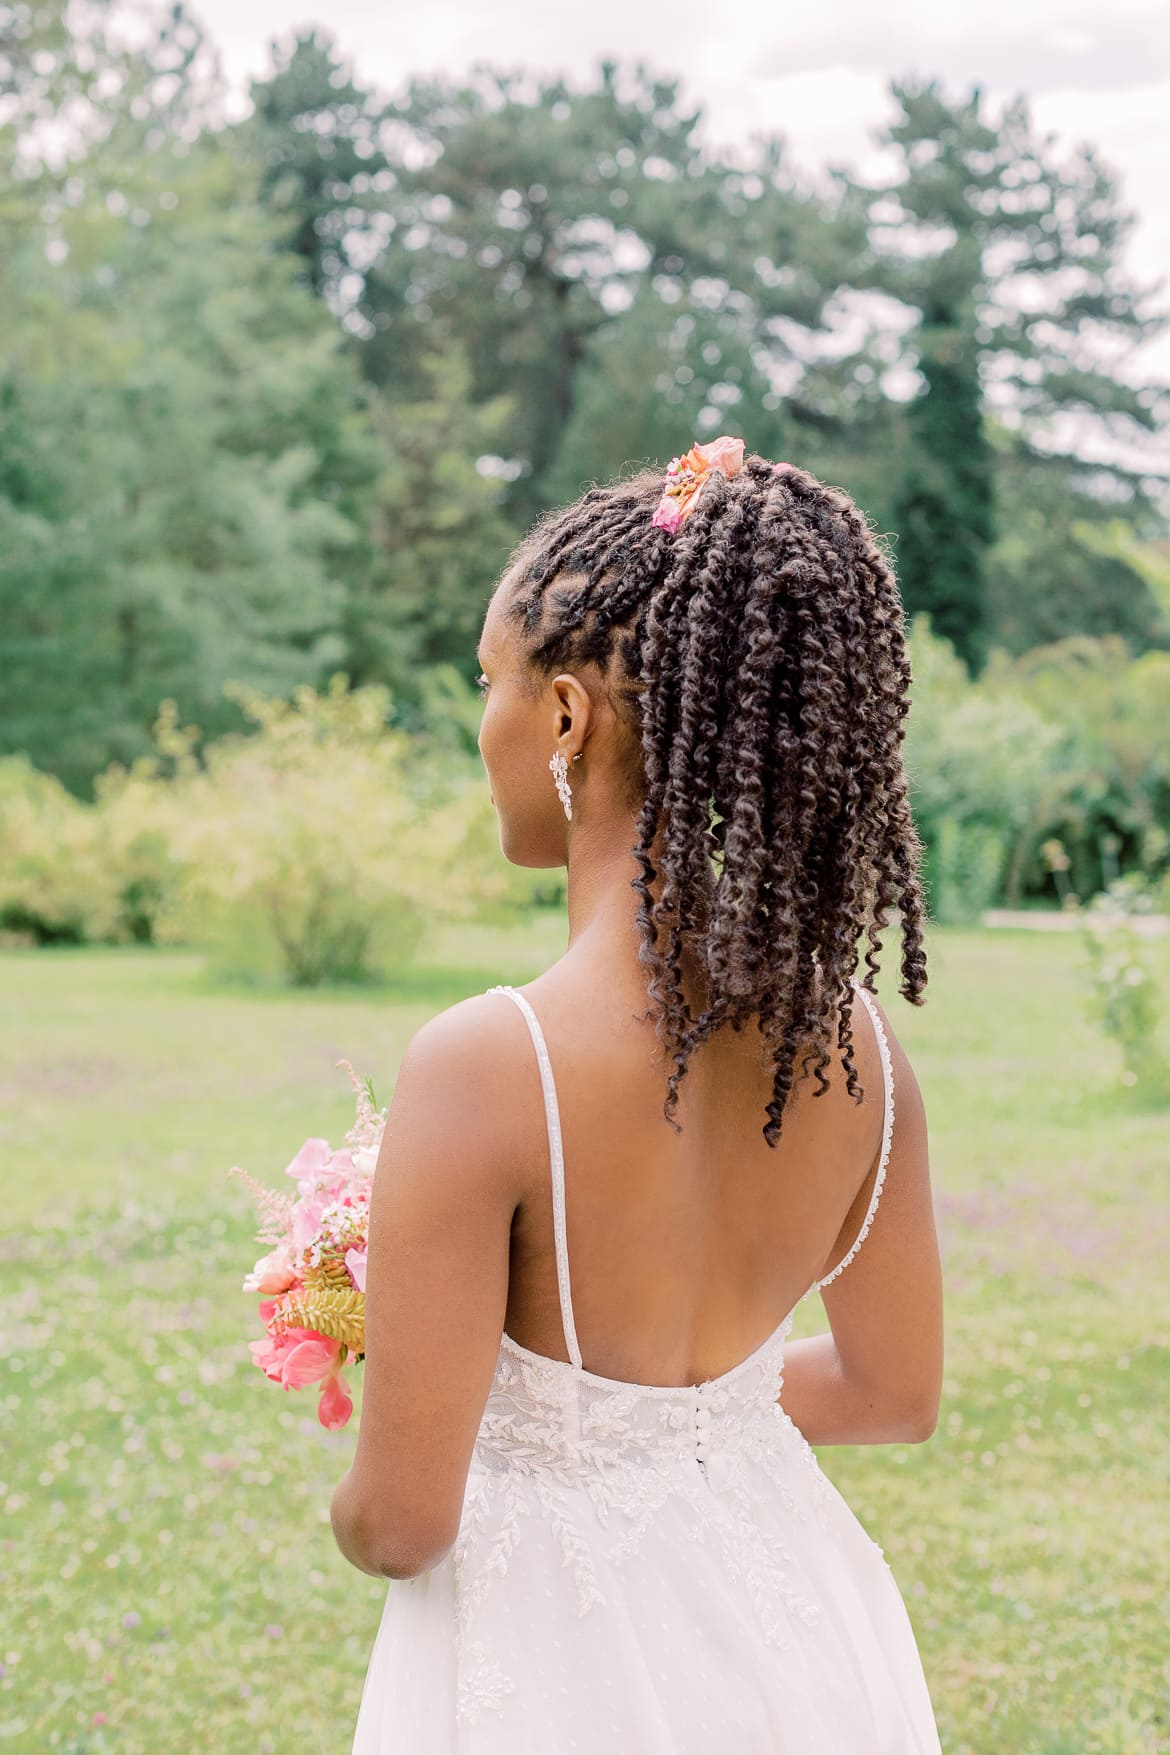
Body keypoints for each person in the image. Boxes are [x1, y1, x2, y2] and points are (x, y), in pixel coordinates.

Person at [334, 439, 945, 1752]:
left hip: (560, 1671)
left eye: (486, 683)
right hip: (803, 1648)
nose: (481, 721)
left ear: (564, 716)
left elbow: (398, 1525)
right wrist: (671, 1418)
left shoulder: (488, 1061)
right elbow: (894, 1393)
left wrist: (437, 1390)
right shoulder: (857, 1052)